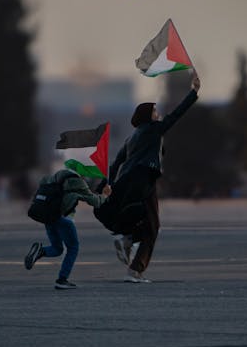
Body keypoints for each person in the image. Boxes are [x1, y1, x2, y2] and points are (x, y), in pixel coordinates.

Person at [108, 71, 200, 282]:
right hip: (143, 180)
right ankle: (134, 266)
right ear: (148, 115)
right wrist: (194, 92)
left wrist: (109, 184)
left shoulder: (132, 137)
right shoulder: (153, 130)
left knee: (144, 221)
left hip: (128, 181)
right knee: (153, 225)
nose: (158, 113)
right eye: (155, 111)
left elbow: (116, 163)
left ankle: (128, 240)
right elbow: (176, 115)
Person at [24, 168, 111, 289]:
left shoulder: (50, 179)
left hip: (48, 217)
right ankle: (62, 280)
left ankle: (40, 251)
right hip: (63, 218)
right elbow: (95, 202)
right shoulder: (76, 182)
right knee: (73, 247)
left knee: (57, 249)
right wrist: (105, 195)